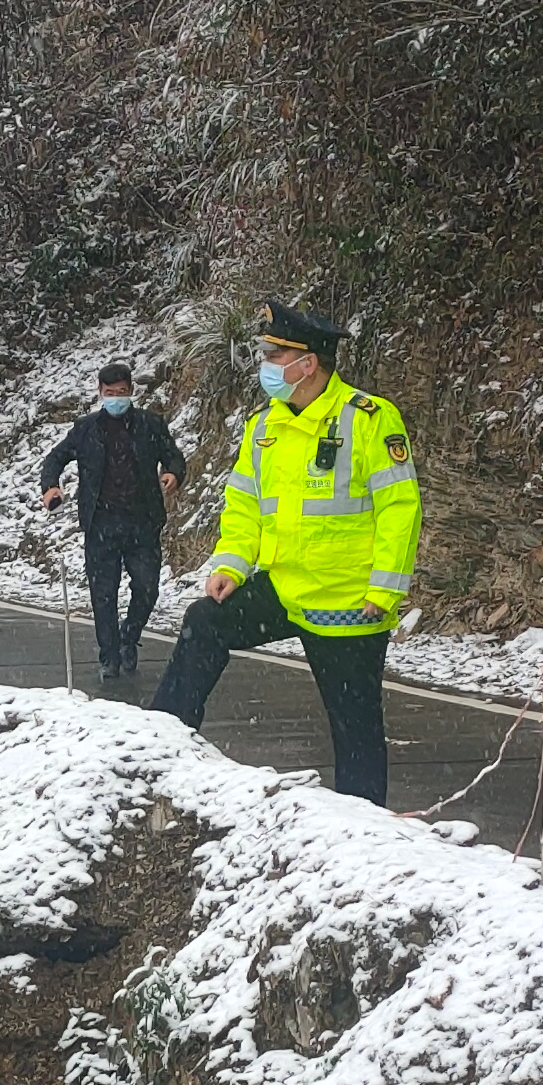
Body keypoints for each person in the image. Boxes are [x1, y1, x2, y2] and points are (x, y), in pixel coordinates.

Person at [151, 301, 418, 804]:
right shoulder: (265, 427)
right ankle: (160, 745)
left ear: (308, 363)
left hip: (348, 602)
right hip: (283, 587)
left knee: (354, 728)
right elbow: (244, 504)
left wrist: (385, 589)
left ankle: (360, 832)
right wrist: (231, 563)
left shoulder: (369, 420)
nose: (266, 364)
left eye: (275, 354)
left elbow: (400, 509)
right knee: (204, 622)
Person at [37, 361, 186, 679]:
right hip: (100, 523)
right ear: (100, 393)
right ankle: (109, 656)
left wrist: (173, 473)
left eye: (121, 392)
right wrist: (51, 486)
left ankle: (129, 638)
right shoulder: (86, 428)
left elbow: (173, 455)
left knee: (147, 588)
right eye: (109, 393)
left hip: (142, 522)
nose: (116, 397)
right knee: (103, 593)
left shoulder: (151, 424)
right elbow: (55, 458)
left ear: (131, 391)